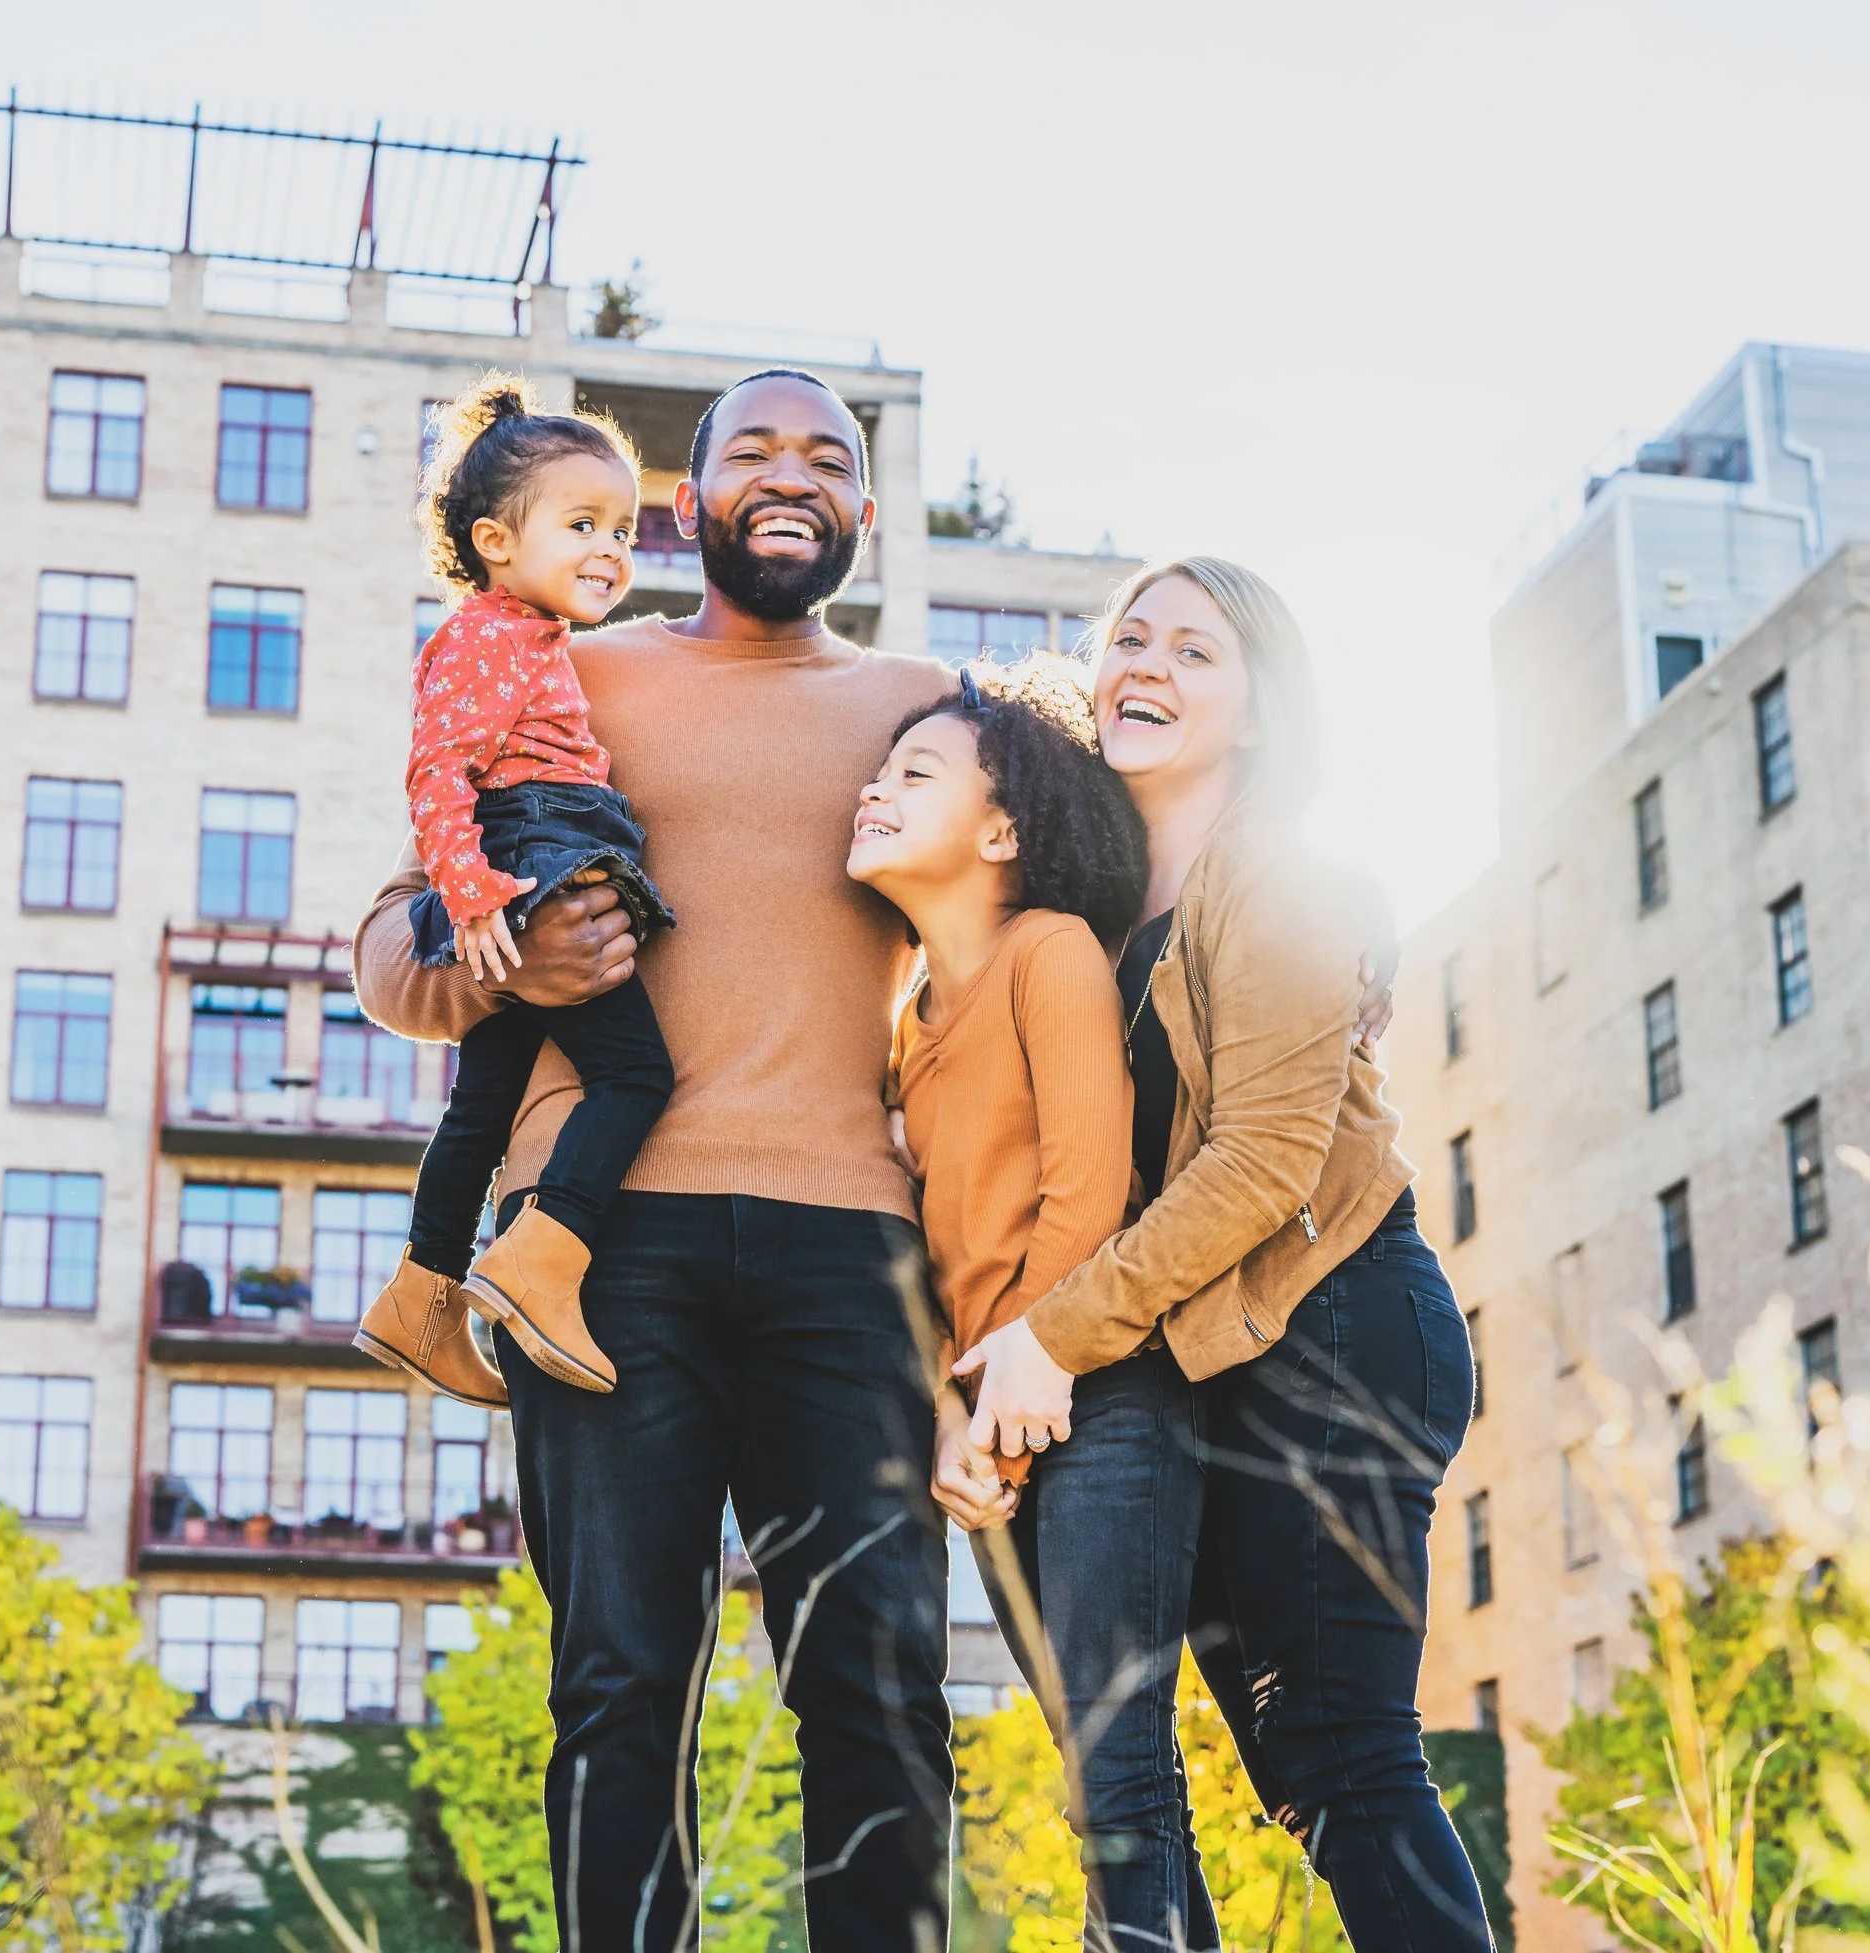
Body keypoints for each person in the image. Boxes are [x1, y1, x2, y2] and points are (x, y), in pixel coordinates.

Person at [351, 370, 957, 1952]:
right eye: (750, 449)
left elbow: (1070, 908)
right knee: (623, 1676)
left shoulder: (929, 702)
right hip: (598, 1247)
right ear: (687, 507)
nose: (790, 474)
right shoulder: (561, 663)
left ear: (864, 518)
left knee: (882, 1681)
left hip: (858, 1249)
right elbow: (389, 941)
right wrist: (513, 968)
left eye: (829, 458)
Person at [955, 559, 1492, 1953]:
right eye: (1131, 639)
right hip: (1212, 1352)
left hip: (1338, 1328)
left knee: (1346, 1751)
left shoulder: (1279, 878)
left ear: (1260, 713)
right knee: (1293, 1768)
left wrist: (1054, 1335)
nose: (1149, 666)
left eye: (1198, 651)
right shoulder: (1090, 896)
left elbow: (1255, 1165)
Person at [851, 660, 1217, 1949]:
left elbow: (1090, 1187)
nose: (872, 790)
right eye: (877, 770)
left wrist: (1003, 1399)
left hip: (1101, 1390)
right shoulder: (901, 1025)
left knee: (1121, 1768)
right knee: (1089, 1771)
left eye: (914, 773)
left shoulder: (1047, 953)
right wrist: (961, 1416)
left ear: (1002, 831)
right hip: (994, 1424)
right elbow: (934, 1255)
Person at [356, 376, 676, 1405]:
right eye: (581, 523)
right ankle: (546, 1256)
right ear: (496, 542)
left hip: (525, 854)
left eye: (622, 528)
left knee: (484, 1106)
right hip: (533, 855)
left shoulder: (528, 637)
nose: (610, 548)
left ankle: (420, 1295)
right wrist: (479, 894)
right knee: (632, 1079)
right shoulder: (488, 635)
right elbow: (439, 769)